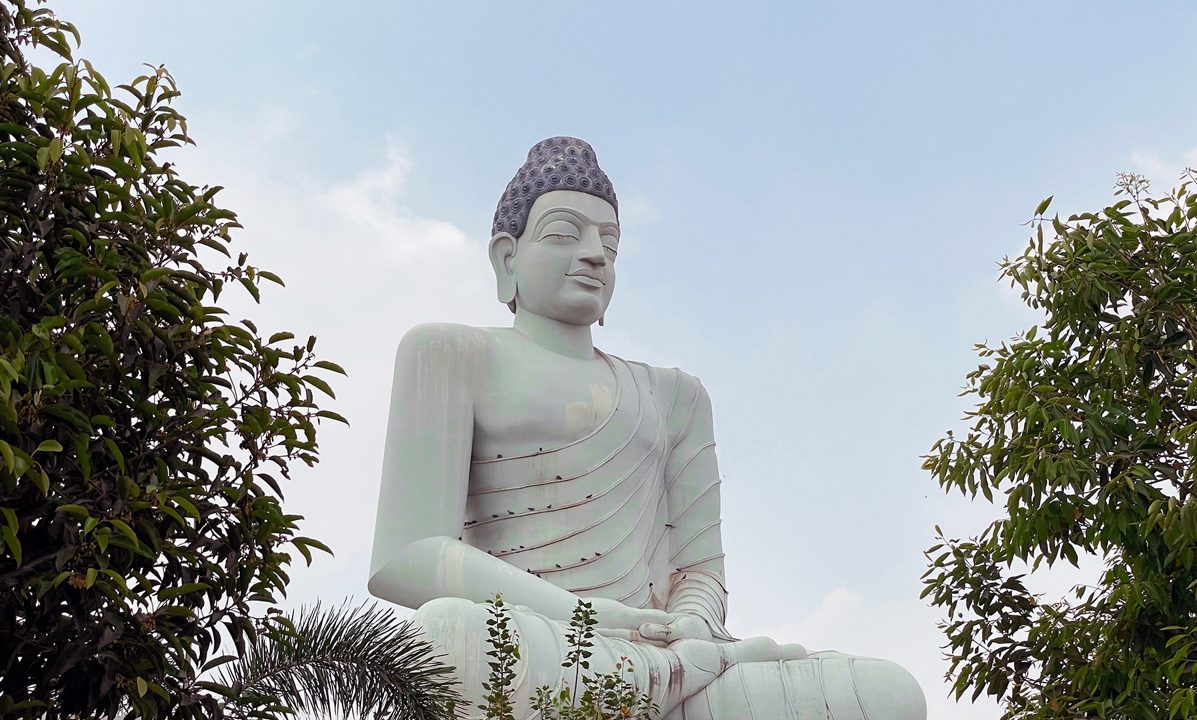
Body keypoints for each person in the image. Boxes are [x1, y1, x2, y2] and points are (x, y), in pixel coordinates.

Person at [368, 137, 926, 719]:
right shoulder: (450, 352)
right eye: (565, 233)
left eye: (609, 242)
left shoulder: (674, 395)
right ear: (506, 258)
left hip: (668, 651)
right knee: (445, 636)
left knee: (888, 694)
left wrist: (692, 627)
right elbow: (407, 557)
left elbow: (700, 571)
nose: (595, 255)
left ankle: (674, 681)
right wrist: (596, 621)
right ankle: (667, 683)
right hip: (540, 649)